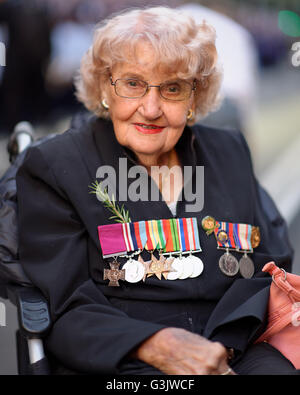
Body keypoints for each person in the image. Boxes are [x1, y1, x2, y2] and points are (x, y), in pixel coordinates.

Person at [16, 7, 296, 375]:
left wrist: (226, 345)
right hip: (124, 360)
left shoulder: (228, 151)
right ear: (104, 88)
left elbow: (270, 263)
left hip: (236, 349)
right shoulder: (55, 165)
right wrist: (155, 344)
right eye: (132, 84)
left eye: (173, 88)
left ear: (195, 98)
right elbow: (64, 306)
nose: (150, 108)